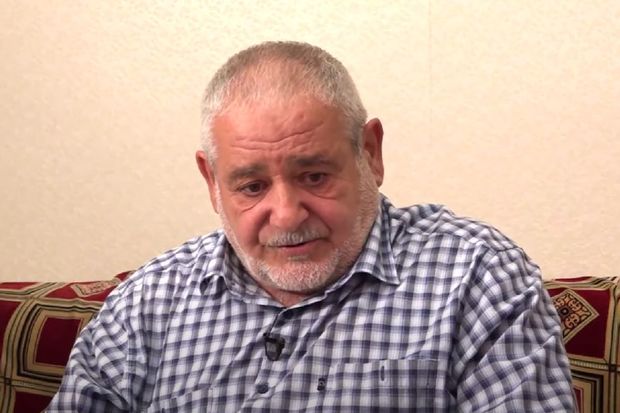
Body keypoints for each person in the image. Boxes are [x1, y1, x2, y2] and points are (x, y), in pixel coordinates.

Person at [47, 41, 575, 412]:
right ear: (212, 182)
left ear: (370, 153)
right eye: (251, 186)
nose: (286, 214)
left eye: (314, 176)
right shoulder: (146, 306)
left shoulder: (477, 278)